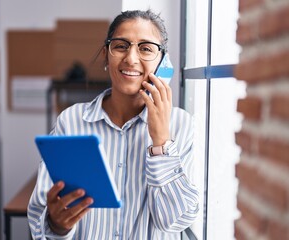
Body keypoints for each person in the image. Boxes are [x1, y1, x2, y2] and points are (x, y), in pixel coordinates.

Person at [27, 9, 199, 240]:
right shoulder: (71, 121)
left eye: (146, 48)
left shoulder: (181, 125)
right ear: (107, 55)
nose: (131, 58)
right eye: (121, 46)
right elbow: (41, 215)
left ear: (162, 63)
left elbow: (175, 221)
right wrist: (57, 225)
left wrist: (161, 142)